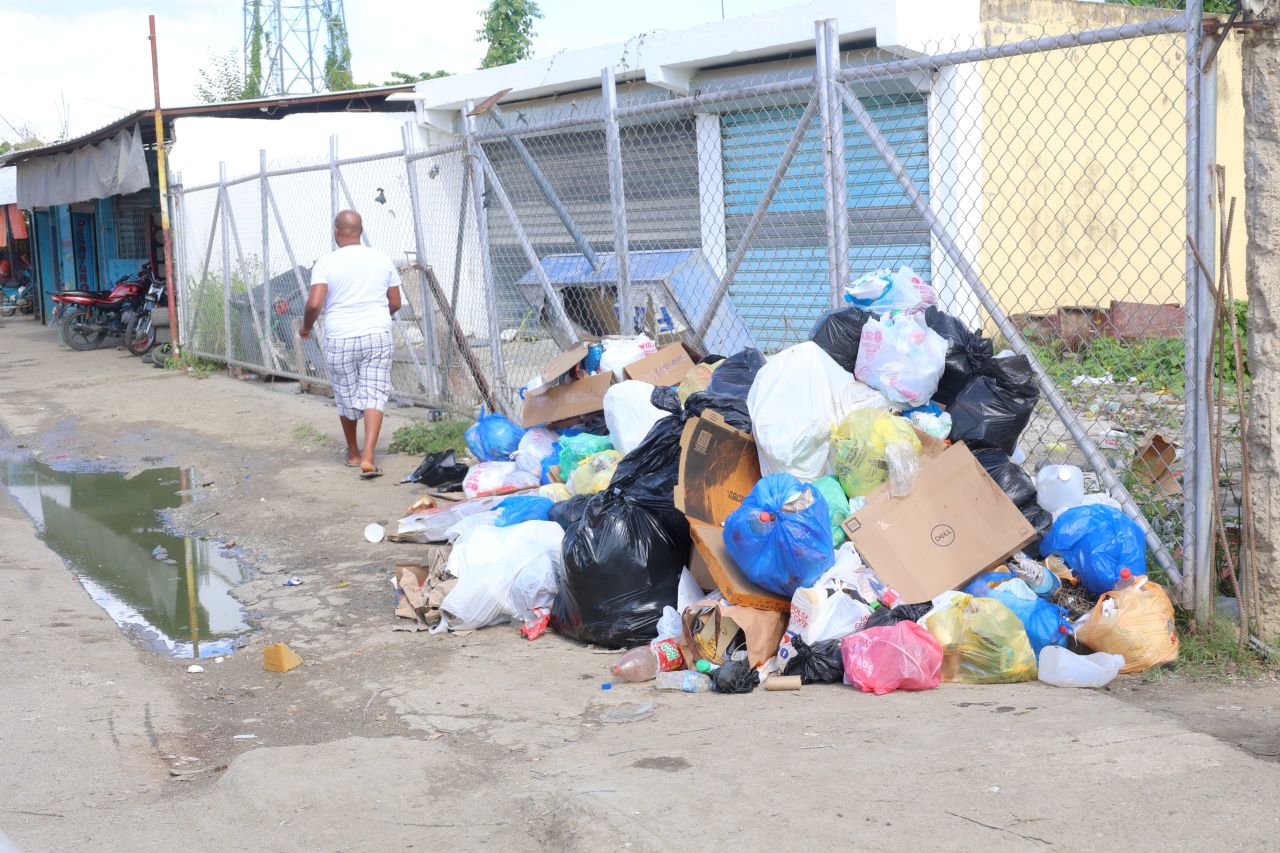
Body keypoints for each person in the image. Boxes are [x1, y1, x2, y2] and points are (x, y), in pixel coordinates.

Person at [300, 210, 401, 479]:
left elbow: (313, 303)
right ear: (360, 230)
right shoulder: (381, 258)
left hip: (341, 336)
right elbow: (395, 302)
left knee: (346, 394)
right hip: (377, 334)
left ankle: (354, 453)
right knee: (374, 392)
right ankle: (370, 456)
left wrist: (306, 327)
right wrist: (377, 317)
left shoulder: (326, 262)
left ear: (336, 233)